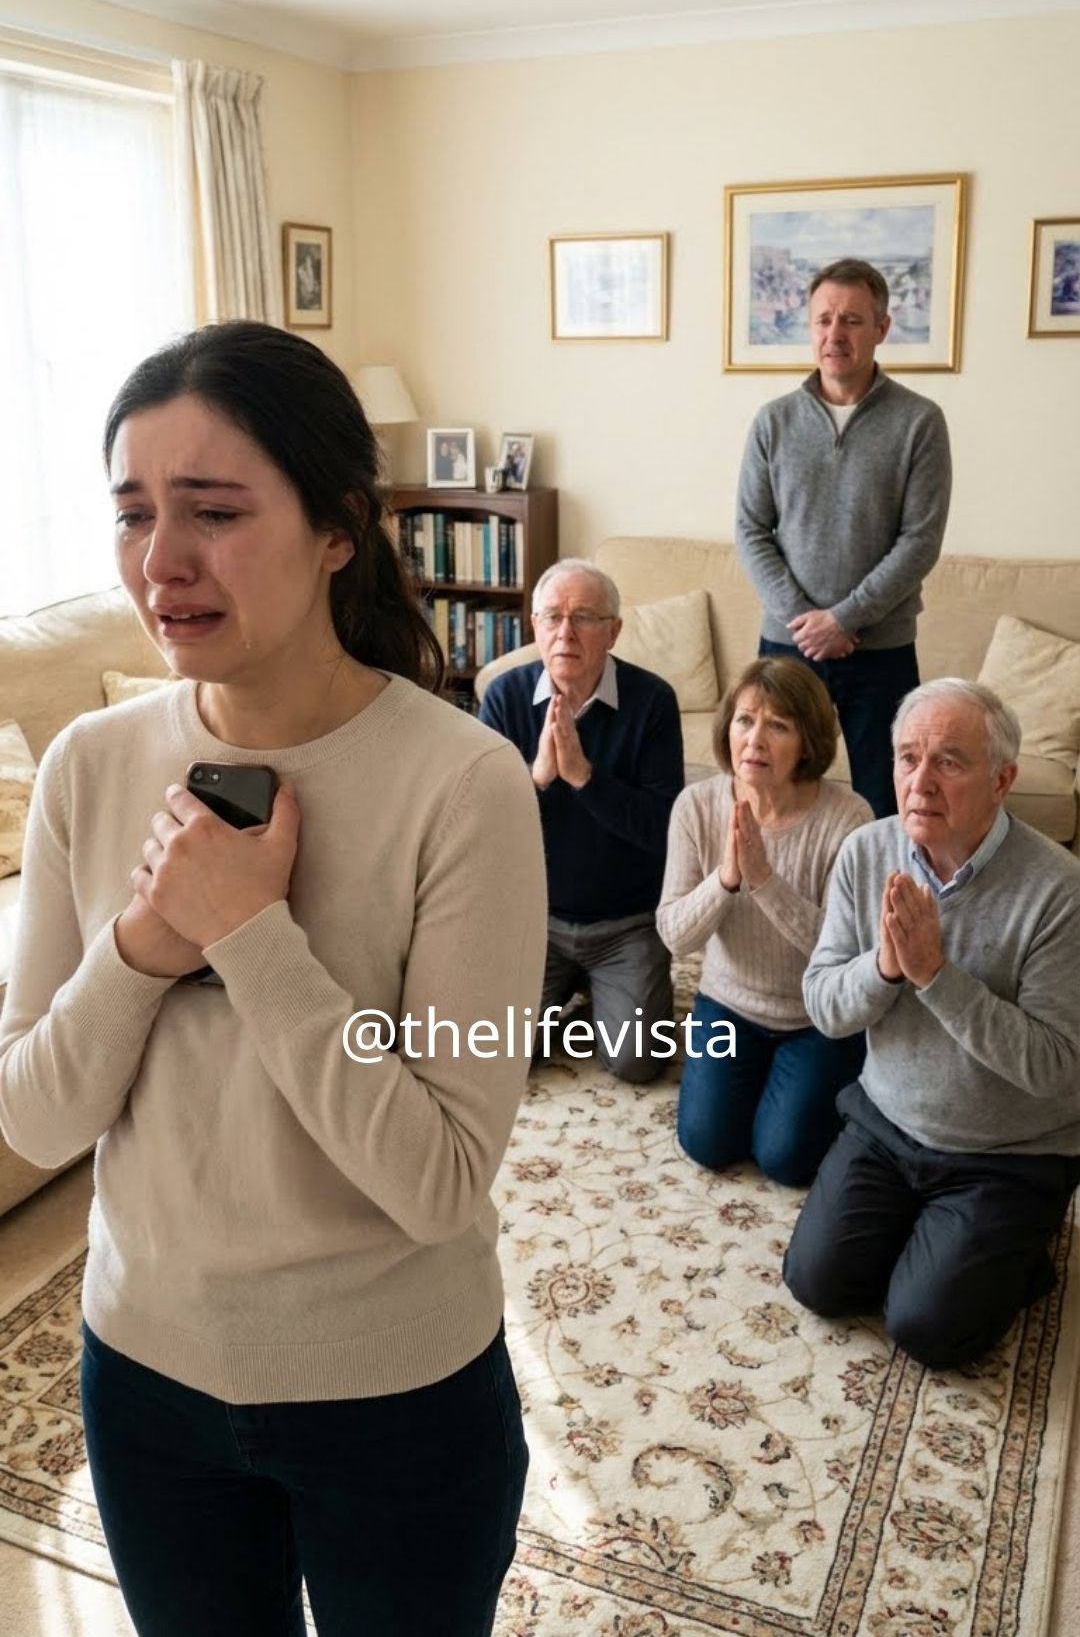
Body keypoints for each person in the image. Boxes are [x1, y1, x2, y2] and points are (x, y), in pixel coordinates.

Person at [0, 321, 547, 1637]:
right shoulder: (87, 766)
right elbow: (31, 1115)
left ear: (339, 528)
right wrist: (145, 946)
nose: (162, 561)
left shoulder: (462, 784)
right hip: (145, 1384)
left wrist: (251, 937)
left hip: (397, 1400)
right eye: (134, 513)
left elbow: (437, 1177)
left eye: (215, 510)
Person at [784, 678, 1080, 1370]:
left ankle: (1022, 1247)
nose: (920, 782)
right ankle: (950, 1243)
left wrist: (936, 977)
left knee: (926, 1328)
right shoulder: (866, 852)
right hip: (888, 1122)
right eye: (908, 758)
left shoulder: (1059, 892)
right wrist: (885, 968)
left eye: (949, 761)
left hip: (1008, 1153)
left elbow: (1057, 1067)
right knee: (817, 1283)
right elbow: (824, 1005)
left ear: (1002, 780)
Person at [735, 257, 952, 819]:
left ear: (882, 328)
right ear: (809, 328)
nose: (835, 335)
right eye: (824, 320)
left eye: (852, 320)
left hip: (879, 648)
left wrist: (844, 619)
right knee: (775, 793)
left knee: (888, 799)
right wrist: (806, 621)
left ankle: (879, 883)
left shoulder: (920, 422)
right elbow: (750, 530)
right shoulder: (773, 421)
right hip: (788, 645)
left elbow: (920, 540)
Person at [658, 658, 872, 1185]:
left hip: (813, 1017)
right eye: (744, 720)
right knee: (706, 1143)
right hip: (726, 1004)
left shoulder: (848, 819)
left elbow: (846, 953)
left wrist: (764, 881)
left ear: (808, 742)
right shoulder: (696, 805)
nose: (754, 739)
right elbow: (676, 935)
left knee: (786, 1159)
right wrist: (727, 879)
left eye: (777, 725)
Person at [479, 557, 682, 1082]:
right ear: (535, 626)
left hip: (626, 924)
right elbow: (481, 829)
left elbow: (663, 828)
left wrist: (585, 778)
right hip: (535, 921)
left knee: (638, 1061)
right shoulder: (504, 697)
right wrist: (538, 779)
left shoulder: (652, 701)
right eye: (553, 616)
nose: (565, 632)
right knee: (494, 1054)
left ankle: (597, 996)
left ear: (613, 631)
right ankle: (573, 1004)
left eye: (585, 617)